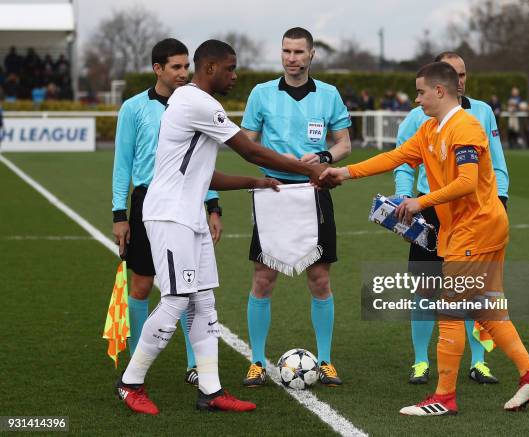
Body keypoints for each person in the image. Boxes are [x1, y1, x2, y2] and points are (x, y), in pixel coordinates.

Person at [320, 61, 529, 416]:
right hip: (470, 228)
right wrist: (345, 172)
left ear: (440, 91)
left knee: (450, 309)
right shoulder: (430, 129)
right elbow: (395, 157)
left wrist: (419, 201)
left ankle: (444, 398)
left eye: (421, 92)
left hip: (477, 229)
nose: (417, 98)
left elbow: (468, 182)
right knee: (484, 308)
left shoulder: (466, 128)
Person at [115, 38, 329, 415]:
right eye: (230, 68)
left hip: (190, 215)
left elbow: (205, 174)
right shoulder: (197, 101)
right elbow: (251, 149)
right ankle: (131, 383)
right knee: (177, 298)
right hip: (169, 215)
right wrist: (309, 169)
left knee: (203, 301)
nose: (235, 75)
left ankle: (211, 391)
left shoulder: (189, 102)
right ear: (209, 68)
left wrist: (257, 182)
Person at [240, 27, 351, 387]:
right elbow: (248, 143)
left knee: (319, 279)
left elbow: (344, 144)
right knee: (263, 278)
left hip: (314, 190)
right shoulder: (261, 94)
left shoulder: (329, 95)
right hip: (273, 192)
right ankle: (257, 361)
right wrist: (274, 161)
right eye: (286, 51)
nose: (292, 58)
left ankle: (327, 360)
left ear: (312, 55)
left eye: (299, 52)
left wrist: (323, 156)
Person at [112, 39, 223, 388]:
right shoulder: (133, 108)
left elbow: (202, 163)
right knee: (143, 285)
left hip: (188, 202)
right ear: (157, 69)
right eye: (175, 66)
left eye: (185, 65)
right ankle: (137, 362)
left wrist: (213, 205)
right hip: (149, 202)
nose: (183, 72)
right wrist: (119, 214)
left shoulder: (195, 104)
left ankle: (195, 366)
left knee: (190, 290)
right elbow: (122, 163)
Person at [393, 52, 509, 385]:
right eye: (453, 74)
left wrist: (499, 201)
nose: (459, 79)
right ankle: (420, 361)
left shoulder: (482, 113)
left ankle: (478, 361)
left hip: (474, 213)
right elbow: (403, 163)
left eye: (463, 73)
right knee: (425, 287)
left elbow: (497, 163)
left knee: (476, 289)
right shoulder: (418, 117)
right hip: (429, 209)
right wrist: (405, 202)